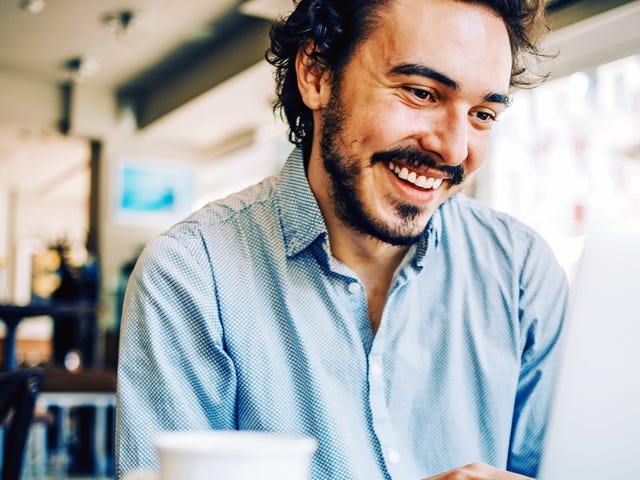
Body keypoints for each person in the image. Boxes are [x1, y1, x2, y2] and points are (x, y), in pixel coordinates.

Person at [116, 0, 568, 478]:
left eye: (483, 115)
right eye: (420, 92)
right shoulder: (192, 272)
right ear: (316, 74)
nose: (454, 148)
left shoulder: (521, 272)